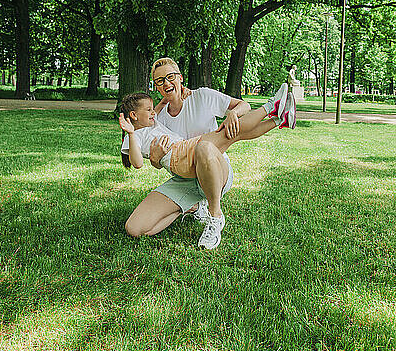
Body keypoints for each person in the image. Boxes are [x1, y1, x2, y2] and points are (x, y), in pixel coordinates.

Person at [121, 57, 292, 249]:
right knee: (134, 228)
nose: (167, 83)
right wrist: (155, 159)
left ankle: (215, 215)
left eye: (171, 77)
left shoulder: (202, 96)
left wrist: (233, 114)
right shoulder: (155, 117)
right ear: (156, 86)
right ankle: (279, 118)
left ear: (181, 78)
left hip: (215, 171)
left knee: (213, 142)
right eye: (160, 81)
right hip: (184, 177)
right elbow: (149, 159)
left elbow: (244, 105)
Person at [120, 89, 294, 176]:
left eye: (152, 109)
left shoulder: (152, 122)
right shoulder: (135, 135)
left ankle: (280, 119)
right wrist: (131, 134)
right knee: (229, 131)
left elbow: (161, 105)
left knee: (234, 133)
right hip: (179, 157)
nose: (153, 112)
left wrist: (177, 91)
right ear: (134, 115)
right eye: (148, 110)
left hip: (185, 149)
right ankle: (272, 106)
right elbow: (136, 163)